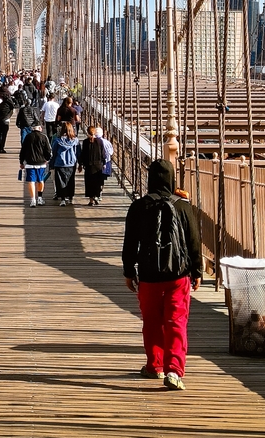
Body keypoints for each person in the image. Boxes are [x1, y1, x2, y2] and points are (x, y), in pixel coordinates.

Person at [122, 159, 202, 391]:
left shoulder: (138, 207)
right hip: (178, 275)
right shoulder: (183, 206)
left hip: (148, 275)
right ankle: (175, 371)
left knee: (152, 322)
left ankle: (154, 365)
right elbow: (194, 242)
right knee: (176, 321)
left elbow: (130, 243)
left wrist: (129, 271)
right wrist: (196, 270)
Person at [19, 123, 52, 207]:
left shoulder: (28, 137)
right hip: (41, 162)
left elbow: (23, 150)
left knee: (31, 181)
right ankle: (40, 198)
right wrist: (47, 159)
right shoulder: (44, 137)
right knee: (40, 180)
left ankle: (33, 199)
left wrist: (21, 161)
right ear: (40, 128)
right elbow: (48, 150)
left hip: (30, 162)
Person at [49, 123, 79, 205]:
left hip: (59, 163)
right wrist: (80, 162)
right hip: (71, 163)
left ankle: (62, 199)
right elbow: (78, 152)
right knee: (70, 180)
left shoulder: (57, 141)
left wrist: (51, 164)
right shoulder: (75, 141)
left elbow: (54, 153)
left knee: (61, 181)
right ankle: (70, 197)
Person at [77, 123, 106, 205]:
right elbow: (103, 153)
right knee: (97, 182)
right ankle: (97, 196)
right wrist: (103, 163)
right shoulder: (100, 141)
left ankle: (91, 200)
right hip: (98, 165)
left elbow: (83, 154)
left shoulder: (86, 142)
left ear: (87, 133)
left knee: (89, 183)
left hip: (89, 166)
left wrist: (80, 164)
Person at [0, 86, 15, 153]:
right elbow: (12, 107)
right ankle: (2, 147)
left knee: (0, 134)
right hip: (6, 121)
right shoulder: (8, 106)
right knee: (4, 135)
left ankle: (0, 148)